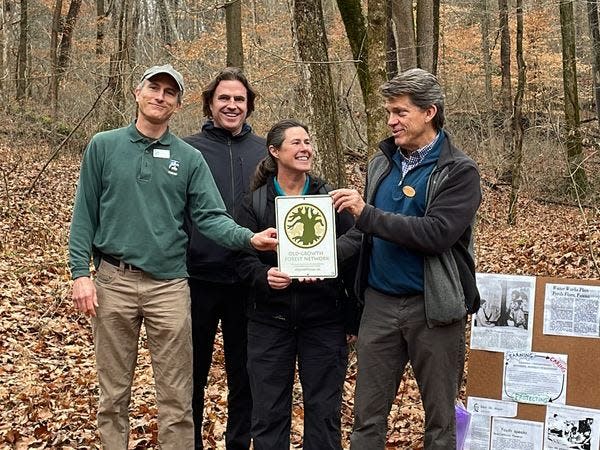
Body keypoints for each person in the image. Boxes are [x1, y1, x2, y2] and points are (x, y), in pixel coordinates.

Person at [68, 64, 277, 450]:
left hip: (169, 285)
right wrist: (81, 273)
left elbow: (211, 218)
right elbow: (85, 213)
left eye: (169, 92)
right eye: (154, 88)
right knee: (113, 395)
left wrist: (250, 240)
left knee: (177, 398)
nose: (160, 96)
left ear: (178, 104)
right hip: (113, 281)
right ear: (137, 93)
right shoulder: (103, 145)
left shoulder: (188, 157)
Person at [330, 68, 482, 449]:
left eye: (400, 112)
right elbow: (364, 235)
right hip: (379, 303)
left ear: (429, 112)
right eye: (388, 113)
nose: (391, 121)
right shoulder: (381, 164)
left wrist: (367, 214)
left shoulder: (458, 171)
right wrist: (317, 261)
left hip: (433, 307)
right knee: (366, 418)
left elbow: (436, 234)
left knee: (440, 421)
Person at [235, 119, 360, 449]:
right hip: (269, 322)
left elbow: (354, 247)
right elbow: (240, 257)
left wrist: (331, 266)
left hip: (323, 321)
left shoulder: (329, 199)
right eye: (296, 143)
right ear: (275, 151)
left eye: (308, 142)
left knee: (324, 413)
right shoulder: (255, 203)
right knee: (268, 414)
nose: (305, 148)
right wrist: (264, 277)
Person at [183, 67, 266, 450]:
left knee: (244, 375)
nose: (232, 106)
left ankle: (238, 443)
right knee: (191, 375)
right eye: (224, 99)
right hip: (196, 279)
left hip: (249, 282)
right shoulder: (187, 150)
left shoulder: (267, 153)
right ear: (210, 104)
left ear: (248, 106)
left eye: (239, 100)